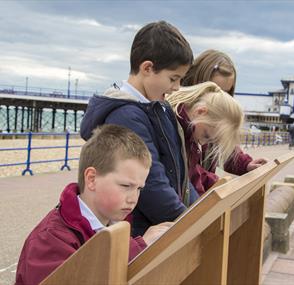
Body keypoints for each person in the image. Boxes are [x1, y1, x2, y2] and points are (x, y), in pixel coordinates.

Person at [15, 125, 173, 285]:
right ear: (91, 179)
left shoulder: (114, 223)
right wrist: (138, 247)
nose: (133, 198)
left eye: (139, 188)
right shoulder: (50, 239)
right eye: (126, 186)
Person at [80, 21, 197, 237]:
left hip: (161, 226)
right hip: (141, 232)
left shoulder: (159, 108)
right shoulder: (126, 115)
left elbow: (179, 174)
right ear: (147, 68)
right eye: (173, 78)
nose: (177, 87)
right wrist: (189, 221)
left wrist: (198, 211)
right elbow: (151, 182)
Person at [180, 49, 267, 193]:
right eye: (215, 90)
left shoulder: (212, 120)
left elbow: (225, 149)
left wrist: (246, 164)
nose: (221, 96)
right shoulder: (187, 120)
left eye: (226, 92)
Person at [166, 82, 243, 195]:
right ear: (201, 112)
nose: (202, 143)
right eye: (206, 136)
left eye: (210, 141)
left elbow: (192, 173)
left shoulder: (192, 133)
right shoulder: (173, 129)